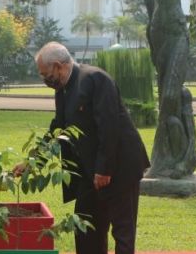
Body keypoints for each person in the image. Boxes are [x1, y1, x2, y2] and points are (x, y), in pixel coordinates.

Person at [17, 42, 150, 254]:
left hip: (119, 167)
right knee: (86, 230)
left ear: (59, 66)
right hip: (89, 171)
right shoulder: (63, 90)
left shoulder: (95, 79)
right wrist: (32, 162)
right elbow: (58, 129)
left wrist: (104, 169)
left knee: (122, 232)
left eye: (45, 74)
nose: (44, 80)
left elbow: (109, 126)